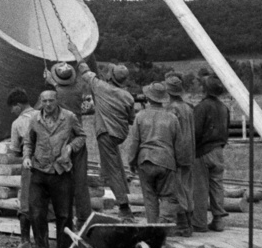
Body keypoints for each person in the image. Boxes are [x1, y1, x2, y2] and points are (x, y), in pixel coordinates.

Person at [22, 88, 84, 248]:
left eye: (51, 101)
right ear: (40, 102)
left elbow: (81, 136)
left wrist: (71, 147)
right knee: (36, 212)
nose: (47, 104)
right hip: (39, 170)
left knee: (64, 213)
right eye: (44, 101)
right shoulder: (35, 119)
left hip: (61, 171)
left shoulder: (69, 117)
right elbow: (28, 142)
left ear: (57, 101)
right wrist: (27, 157)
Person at [77, 61, 136, 221]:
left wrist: (76, 52)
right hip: (118, 135)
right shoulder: (128, 97)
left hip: (106, 134)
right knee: (116, 167)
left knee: (112, 171)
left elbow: (85, 71)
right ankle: (125, 197)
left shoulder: (101, 87)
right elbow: (131, 119)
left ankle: (124, 208)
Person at [122, 82, 181, 224]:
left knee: (150, 198)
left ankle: (153, 229)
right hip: (166, 161)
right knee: (168, 196)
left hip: (145, 160)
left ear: (148, 98)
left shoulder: (140, 116)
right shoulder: (172, 118)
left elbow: (134, 142)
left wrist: (131, 162)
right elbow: (178, 144)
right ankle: (165, 227)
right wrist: (177, 163)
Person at [49, 61, 93, 228]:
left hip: (62, 139)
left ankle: (59, 217)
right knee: (80, 180)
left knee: (58, 177)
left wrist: (50, 82)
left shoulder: (55, 93)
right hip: (78, 137)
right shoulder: (77, 89)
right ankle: (84, 218)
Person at [191, 75, 230, 232]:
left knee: (199, 187)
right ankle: (218, 220)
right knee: (216, 185)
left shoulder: (202, 107)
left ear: (205, 89)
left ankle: (199, 223)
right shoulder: (224, 108)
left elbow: (195, 132)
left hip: (203, 151)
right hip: (218, 150)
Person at [162, 72, 196, 235]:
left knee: (177, 189)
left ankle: (182, 225)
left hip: (176, 154)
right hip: (189, 152)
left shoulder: (171, 109)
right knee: (187, 188)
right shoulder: (188, 108)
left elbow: (169, 133)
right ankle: (188, 223)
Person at [4, 86, 37, 247]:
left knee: (25, 200)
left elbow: (16, 151)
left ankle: (25, 240)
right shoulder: (41, 115)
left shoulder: (18, 123)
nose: (13, 112)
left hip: (29, 162)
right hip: (50, 164)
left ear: (18, 105)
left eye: (13, 109)